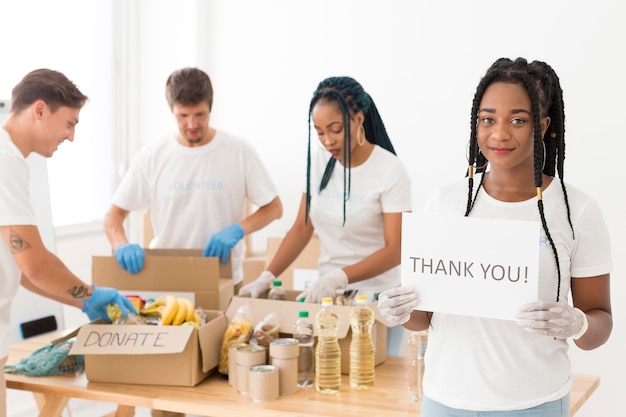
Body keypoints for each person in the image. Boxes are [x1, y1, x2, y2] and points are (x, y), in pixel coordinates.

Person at [378, 58, 612, 416]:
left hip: (535, 404)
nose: (499, 134)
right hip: (445, 402)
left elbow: (599, 322)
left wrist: (577, 322)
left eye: (517, 120)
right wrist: (399, 310)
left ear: (543, 126)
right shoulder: (446, 202)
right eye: (488, 119)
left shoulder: (575, 211)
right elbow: (422, 319)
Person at [0, 69, 136, 417]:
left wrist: (78, 301)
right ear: (40, 110)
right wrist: (91, 294)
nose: (71, 137)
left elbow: (21, 271)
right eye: (69, 123)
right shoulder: (5, 160)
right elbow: (36, 264)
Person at [104, 67, 283, 295]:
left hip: (224, 277)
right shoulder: (152, 156)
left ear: (210, 107)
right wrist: (121, 245)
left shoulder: (238, 151)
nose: (192, 124)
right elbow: (113, 216)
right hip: (166, 279)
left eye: (200, 114)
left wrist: (239, 229)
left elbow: (274, 208)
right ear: (172, 110)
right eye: (183, 116)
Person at [240, 76, 412, 303]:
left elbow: (396, 249)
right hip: (329, 297)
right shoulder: (319, 163)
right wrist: (266, 277)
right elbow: (302, 228)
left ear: (359, 119)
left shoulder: (390, 170)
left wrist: (339, 277)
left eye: (336, 129)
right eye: (320, 132)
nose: (328, 141)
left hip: (378, 299)